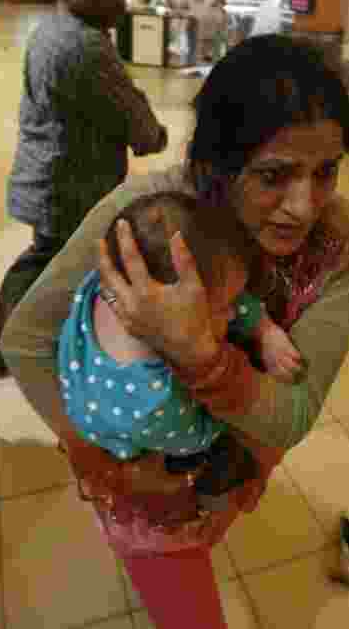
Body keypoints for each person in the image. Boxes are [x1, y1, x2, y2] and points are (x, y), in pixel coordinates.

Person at [1, 34, 349, 627]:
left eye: (325, 172)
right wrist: (109, 467)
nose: (304, 206)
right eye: (274, 175)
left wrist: (202, 357)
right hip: (136, 475)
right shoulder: (153, 218)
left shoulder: (341, 241)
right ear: (215, 165)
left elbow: (295, 409)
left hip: (231, 457)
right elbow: (24, 340)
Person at [0, 0, 169, 378]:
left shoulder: (50, 30)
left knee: (42, 260)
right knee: (51, 264)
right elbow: (141, 128)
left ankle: (10, 348)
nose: (120, 1)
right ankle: (23, 349)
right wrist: (153, 134)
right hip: (69, 187)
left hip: (46, 174)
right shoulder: (86, 47)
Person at [59, 191, 303, 491]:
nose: (232, 315)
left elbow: (220, 289)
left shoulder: (113, 285)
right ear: (168, 319)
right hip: (138, 440)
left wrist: (264, 329)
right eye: (225, 308)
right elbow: (199, 436)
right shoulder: (155, 399)